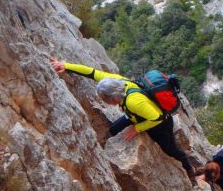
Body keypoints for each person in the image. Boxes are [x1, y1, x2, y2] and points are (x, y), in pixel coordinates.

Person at [50, 59, 196, 184]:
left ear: (113, 98)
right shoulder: (115, 82)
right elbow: (92, 72)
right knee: (114, 129)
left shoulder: (133, 102)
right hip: (135, 115)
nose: (105, 101)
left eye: (105, 99)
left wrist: (137, 129)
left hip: (161, 123)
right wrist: (66, 66)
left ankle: (190, 170)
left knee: (171, 150)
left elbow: (156, 117)